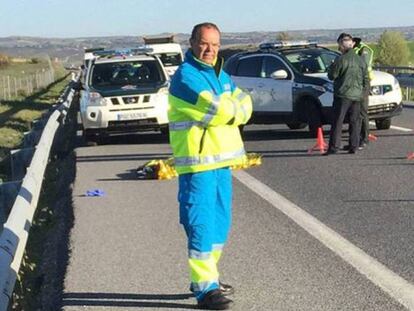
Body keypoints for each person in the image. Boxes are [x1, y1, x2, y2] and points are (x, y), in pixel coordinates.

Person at [168, 22, 252, 310]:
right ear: (192, 43)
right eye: (204, 43)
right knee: (201, 226)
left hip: (221, 164)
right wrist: (233, 109)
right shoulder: (185, 78)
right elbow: (213, 110)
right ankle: (205, 290)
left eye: (215, 45)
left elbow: (246, 104)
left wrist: (232, 108)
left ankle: (209, 279)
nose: (210, 50)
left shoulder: (219, 73)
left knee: (219, 226)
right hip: (198, 167)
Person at [324, 33, 369, 155]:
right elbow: (366, 79)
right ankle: (354, 146)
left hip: (343, 95)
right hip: (357, 95)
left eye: (339, 46)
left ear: (342, 45)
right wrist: (363, 92)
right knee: (355, 121)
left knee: (338, 121)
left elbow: (332, 75)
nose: (339, 48)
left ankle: (334, 147)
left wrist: (331, 66)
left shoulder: (341, 60)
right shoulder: (361, 60)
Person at [352, 37, 374, 149]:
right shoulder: (355, 50)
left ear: (354, 42)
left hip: (363, 83)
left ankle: (364, 138)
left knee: (362, 112)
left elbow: (363, 66)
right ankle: (356, 139)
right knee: (356, 112)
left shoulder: (364, 50)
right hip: (356, 83)